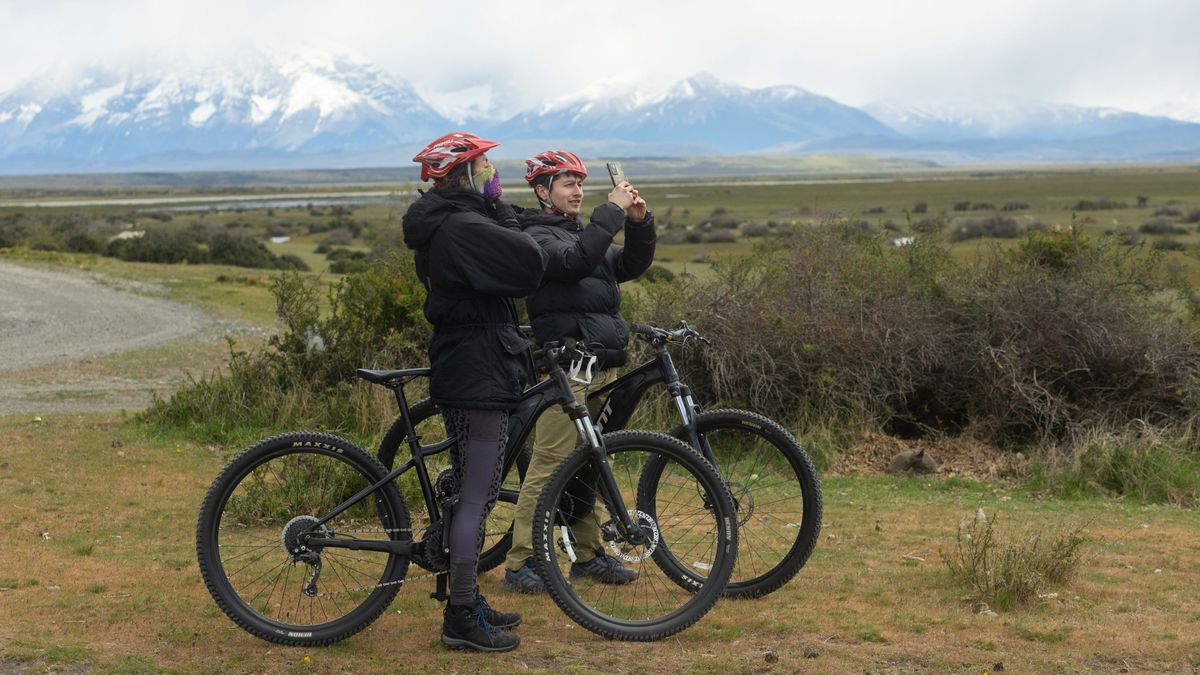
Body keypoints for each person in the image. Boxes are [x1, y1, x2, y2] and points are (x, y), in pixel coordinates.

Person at [402, 131, 548, 652]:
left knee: (474, 491)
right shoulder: (463, 226)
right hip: (477, 372)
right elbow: (529, 262)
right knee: (476, 496)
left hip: (475, 365)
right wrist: (501, 209)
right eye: (483, 166)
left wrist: (492, 209)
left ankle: (467, 598)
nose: (492, 173)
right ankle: (461, 616)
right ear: (463, 173)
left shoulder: (453, 221)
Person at [502, 149, 656, 594]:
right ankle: (521, 562)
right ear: (542, 190)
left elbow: (628, 265)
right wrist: (611, 212)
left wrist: (639, 223)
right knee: (550, 465)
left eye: (581, 183)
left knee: (588, 463)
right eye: (568, 183)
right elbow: (575, 262)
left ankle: (587, 557)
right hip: (568, 369)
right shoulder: (536, 237)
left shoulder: (577, 233)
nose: (578, 191)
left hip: (600, 364)